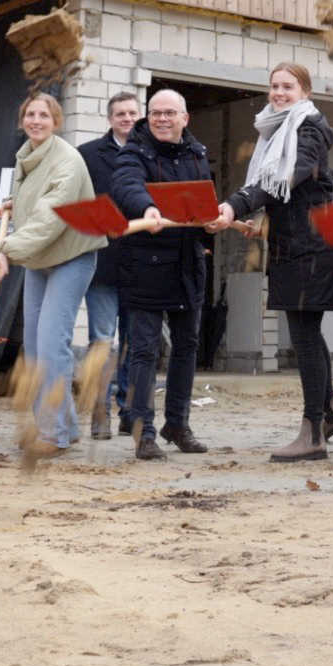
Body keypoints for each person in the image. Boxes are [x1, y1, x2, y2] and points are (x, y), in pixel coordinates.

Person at [209, 63, 333, 462]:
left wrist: (235, 204)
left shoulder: (309, 129)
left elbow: (282, 179)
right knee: (309, 333)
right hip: (296, 243)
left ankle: (313, 433)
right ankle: (330, 413)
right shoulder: (277, 130)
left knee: (304, 337)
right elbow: (286, 193)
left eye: (287, 86)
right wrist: (259, 220)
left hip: (313, 246)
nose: (278, 93)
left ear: (304, 91)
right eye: (273, 86)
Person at [0, 93, 106, 457]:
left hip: (72, 255)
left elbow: (50, 217)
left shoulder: (67, 160)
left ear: (57, 121)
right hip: (42, 257)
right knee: (37, 346)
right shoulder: (27, 155)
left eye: (44, 115)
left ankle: (52, 433)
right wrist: (13, 205)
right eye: (30, 114)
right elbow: (36, 203)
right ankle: (66, 427)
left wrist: (6, 249)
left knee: (53, 343)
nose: (36, 120)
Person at [108, 89, 212, 461]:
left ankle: (177, 424)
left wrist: (209, 225)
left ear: (185, 118)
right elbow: (125, 185)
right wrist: (147, 207)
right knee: (144, 351)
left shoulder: (198, 154)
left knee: (186, 348)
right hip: (146, 267)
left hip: (188, 266)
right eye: (155, 113)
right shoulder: (134, 151)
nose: (162, 119)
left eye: (170, 113)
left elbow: (201, 203)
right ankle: (143, 430)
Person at [78, 91, 141, 439]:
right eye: (120, 113)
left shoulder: (150, 153)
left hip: (141, 262)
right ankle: (99, 411)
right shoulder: (87, 155)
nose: (127, 118)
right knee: (102, 339)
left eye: (132, 113)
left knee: (135, 341)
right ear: (110, 118)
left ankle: (129, 410)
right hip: (102, 260)